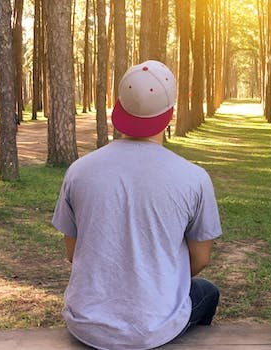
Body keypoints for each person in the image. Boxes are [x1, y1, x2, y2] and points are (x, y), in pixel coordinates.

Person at [52, 60, 223, 350]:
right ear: (170, 113)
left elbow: (72, 253)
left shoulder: (79, 171)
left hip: (86, 324)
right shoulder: (194, 178)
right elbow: (201, 259)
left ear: (118, 107)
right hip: (153, 328)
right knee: (207, 292)